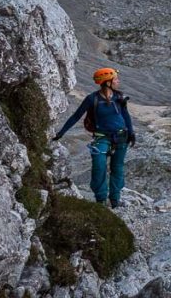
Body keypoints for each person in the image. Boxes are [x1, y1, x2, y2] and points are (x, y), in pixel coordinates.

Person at [54, 67, 136, 208]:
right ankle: (101, 200)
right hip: (101, 137)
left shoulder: (119, 97)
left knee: (117, 168)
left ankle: (115, 200)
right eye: (115, 79)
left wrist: (131, 133)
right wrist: (61, 132)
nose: (118, 81)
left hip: (121, 136)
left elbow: (125, 115)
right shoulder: (92, 99)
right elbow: (76, 116)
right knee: (99, 166)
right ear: (107, 82)